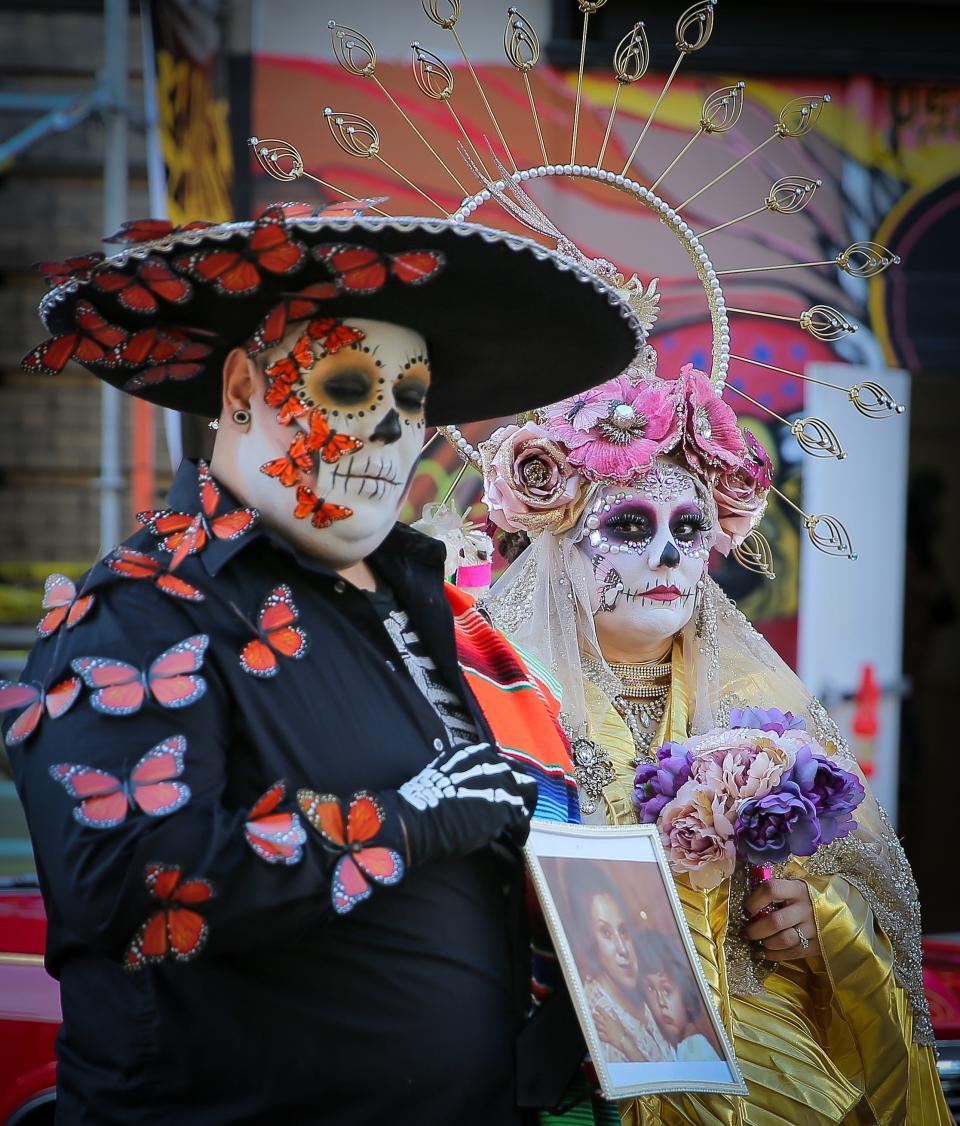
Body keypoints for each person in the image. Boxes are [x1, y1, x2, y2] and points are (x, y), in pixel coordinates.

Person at [1, 205, 644, 1124]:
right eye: (347, 386)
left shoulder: (412, 617)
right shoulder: (137, 619)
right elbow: (128, 887)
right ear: (239, 392)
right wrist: (406, 822)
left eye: (413, 400)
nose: (392, 433)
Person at [480, 366, 952, 1123]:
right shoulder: (495, 699)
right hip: (552, 1052)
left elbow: (868, 890)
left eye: (689, 529)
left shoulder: (756, 706)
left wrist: (815, 917)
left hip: (759, 1039)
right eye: (630, 526)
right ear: (558, 544)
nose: (668, 557)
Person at [569, 868, 670, 1065]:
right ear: (589, 940)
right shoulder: (600, 1019)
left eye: (623, 931)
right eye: (605, 932)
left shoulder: (644, 991)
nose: (623, 949)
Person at [635, 930, 721, 1063]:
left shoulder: (694, 1050)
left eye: (667, 990)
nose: (661, 1002)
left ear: (686, 996)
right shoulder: (681, 1046)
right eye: (651, 989)